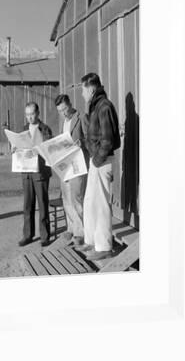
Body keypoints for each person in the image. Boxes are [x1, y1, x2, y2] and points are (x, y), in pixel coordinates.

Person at [75, 73, 121, 261]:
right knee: (90, 201)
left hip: (103, 161)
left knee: (101, 203)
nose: (82, 95)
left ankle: (104, 247)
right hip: (97, 160)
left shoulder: (104, 106)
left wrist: (97, 159)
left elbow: (108, 139)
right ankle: (91, 240)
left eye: (83, 90)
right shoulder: (96, 106)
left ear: (91, 89)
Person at [55, 94, 89, 246]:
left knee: (77, 198)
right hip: (65, 165)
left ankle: (81, 232)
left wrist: (82, 142)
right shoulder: (63, 122)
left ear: (70, 104)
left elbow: (90, 138)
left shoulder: (81, 117)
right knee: (66, 198)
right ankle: (71, 228)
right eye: (60, 111)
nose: (63, 113)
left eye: (65, 109)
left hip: (78, 164)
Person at [18, 102, 53, 248]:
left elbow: (50, 148)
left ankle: (44, 236)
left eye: (32, 114)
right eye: (27, 115)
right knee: (28, 205)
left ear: (38, 113)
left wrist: (40, 149)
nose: (29, 118)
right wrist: (15, 148)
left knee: (43, 204)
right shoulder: (23, 129)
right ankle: (28, 235)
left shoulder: (45, 129)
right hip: (26, 172)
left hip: (40, 171)